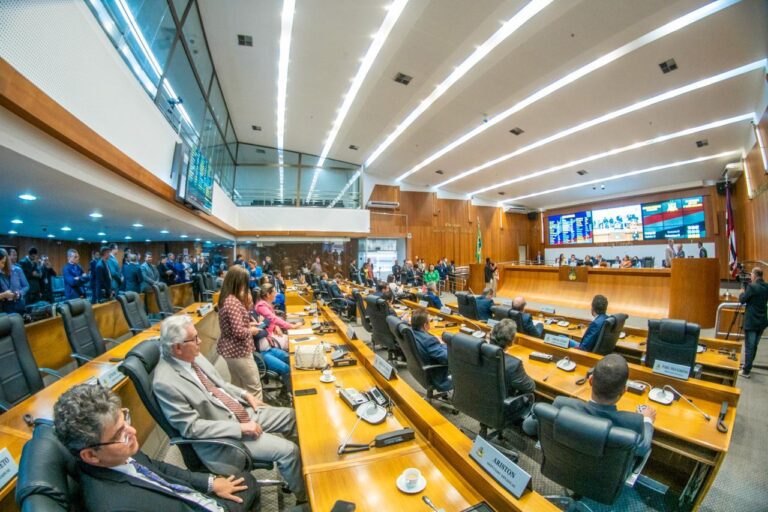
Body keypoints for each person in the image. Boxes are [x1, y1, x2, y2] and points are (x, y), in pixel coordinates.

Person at [153, 315, 306, 501]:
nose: (200, 341)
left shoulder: (193, 355)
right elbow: (191, 428)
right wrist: (240, 428)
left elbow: (220, 384)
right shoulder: (165, 382)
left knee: (293, 416)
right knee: (289, 451)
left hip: (237, 411)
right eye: (194, 339)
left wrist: (244, 394)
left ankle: (299, 471)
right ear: (177, 347)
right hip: (225, 436)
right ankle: (304, 497)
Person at [53, 384, 259, 512]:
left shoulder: (116, 454)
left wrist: (211, 483)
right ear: (90, 455)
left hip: (195, 499)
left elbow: (160, 469)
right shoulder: (116, 506)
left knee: (248, 480)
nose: (132, 431)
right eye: (119, 433)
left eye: (125, 419)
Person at [523, 354, 655, 460]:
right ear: (624, 390)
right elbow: (642, 449)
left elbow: (528, 427)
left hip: (562, 466)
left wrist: (534, 411)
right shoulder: (632, 422)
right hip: (602, 479)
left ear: (591, 381)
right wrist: (648, 420)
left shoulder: (562, 404)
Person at [216, 265, 263, 399]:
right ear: (238, 282)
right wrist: (252, 330)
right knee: (254, 388)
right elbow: (239, 332)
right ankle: (260, 418)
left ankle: (243, 416)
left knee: (238, 388)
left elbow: (234, 325)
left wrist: (249, 323)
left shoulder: (228, 299)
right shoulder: (232, 302)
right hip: (238, 351)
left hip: (230, 351)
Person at [488, 319, 535, 397]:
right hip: (504, 406)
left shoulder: (477, 351)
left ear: (491, 334)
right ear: (512, 342)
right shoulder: (514, 364)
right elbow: (530, 387)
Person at [410, 309, 452, 391]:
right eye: (429, 321)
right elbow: (447, 358)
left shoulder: (411, 332)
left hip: (420, 371)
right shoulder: (428, 340)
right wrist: (443, 344)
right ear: (425, 325)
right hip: (439, 376)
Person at [739, 267, 768, 378]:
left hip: (752, 321)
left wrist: (742, 291)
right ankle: (748, 365)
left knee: (749, 346)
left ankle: (746, 370)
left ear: (755, 275)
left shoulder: (751, 287)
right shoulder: (766, 286)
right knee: (754, 346)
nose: (750, 276)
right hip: (762, 322)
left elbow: (742, 300)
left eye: (751, 274)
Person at [0, 248, 29, 314]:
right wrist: (4, 295)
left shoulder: (18, 270)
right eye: (2, 262)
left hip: (19, 304)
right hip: (4, 307)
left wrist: (19, 293)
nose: (3, 265)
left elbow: (26, 286)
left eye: (4, 263)